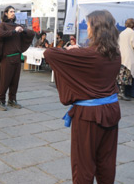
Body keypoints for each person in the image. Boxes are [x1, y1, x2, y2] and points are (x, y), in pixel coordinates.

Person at [44, 10, 121, 183]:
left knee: (83, 165)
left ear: (96, 28)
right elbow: (96, 66)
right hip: (111, 110)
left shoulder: (87, 55)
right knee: (106, 161)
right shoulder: (116, 53)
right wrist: (79, 51)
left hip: (89, 116)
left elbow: (49, 54)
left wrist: (71, 51)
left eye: (88, 25)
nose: (88, 29)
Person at [0, 6, 35, 110]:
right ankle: (1, 100)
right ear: (6, 13)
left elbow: (32, 33)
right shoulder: (3, 25)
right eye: (11, 11)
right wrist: (14, 31)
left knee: (15, 81)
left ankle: (12, 99)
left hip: (17, 57)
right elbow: (1, 34)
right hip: (7, 58)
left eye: (14, 11)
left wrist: (23, 30)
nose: (13, 13)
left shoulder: (17, 25)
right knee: (4, 80)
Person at [116, 18, 134, 101]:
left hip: (121, 56)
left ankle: (121, 93)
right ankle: (123, 94)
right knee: (126, 76)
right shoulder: (132, 33)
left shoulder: (122, 33)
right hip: (129, 57)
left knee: (121, 75)